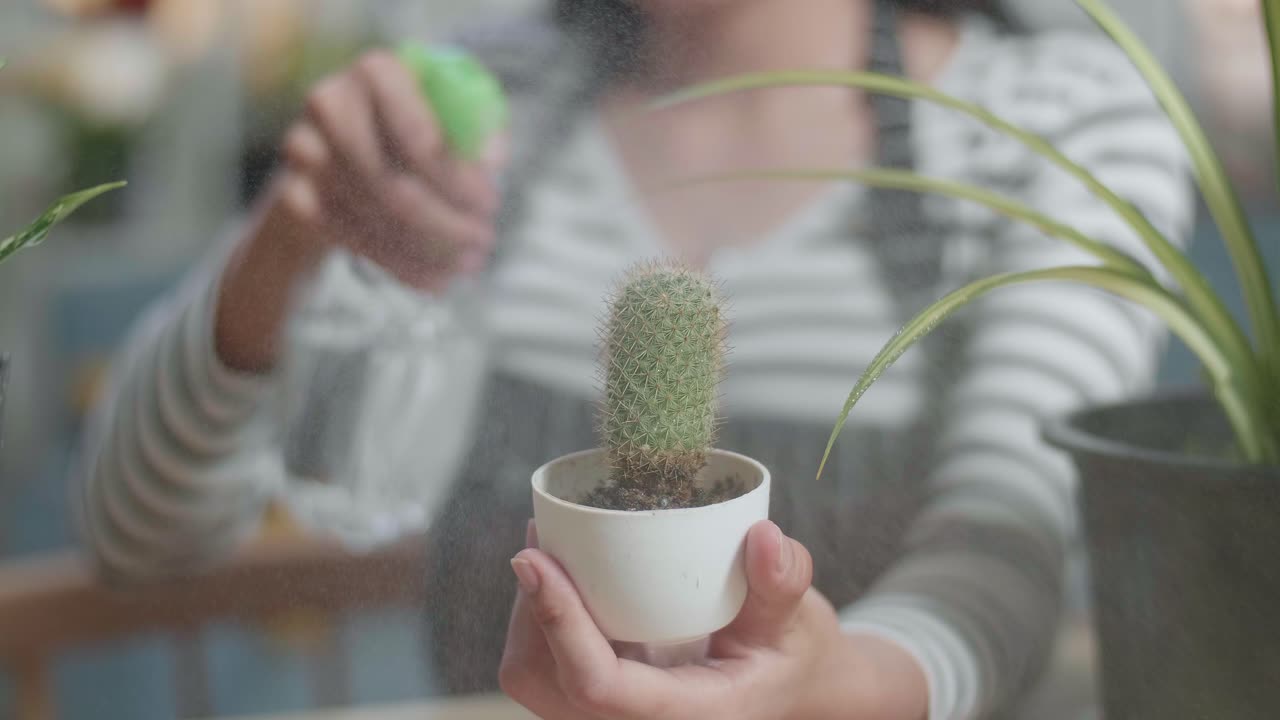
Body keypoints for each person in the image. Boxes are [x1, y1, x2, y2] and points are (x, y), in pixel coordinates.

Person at [76, 0, 1192, 717]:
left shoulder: (1056, 124)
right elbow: (137, 532)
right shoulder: (471, 111)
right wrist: (291, 234)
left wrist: (835, 690)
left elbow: (1009, 553)